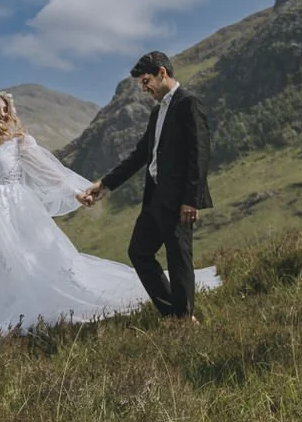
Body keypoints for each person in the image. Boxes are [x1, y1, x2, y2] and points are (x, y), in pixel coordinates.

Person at [0, 89, 218, 345]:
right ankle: (0, 320)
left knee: (30, 265)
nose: (3, 113)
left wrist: (77, 192)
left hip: (15, 216)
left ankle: (36, 313)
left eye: (6, 109)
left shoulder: (19, 144)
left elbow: (52, 171)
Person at [79, 51, 215, 323]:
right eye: (141, 84)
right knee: (139, 252)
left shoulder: (189, 103)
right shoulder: (157, 113)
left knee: (179, 259)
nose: (144, 89)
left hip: (179, 200)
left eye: (146, 81)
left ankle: (185, 320)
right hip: (154, 198)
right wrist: (104, 184)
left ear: (162, 73)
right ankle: (174, 315)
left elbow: (199, 154)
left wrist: (191, 199)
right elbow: (141, 155)